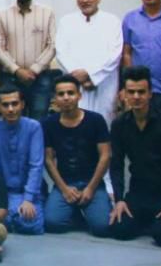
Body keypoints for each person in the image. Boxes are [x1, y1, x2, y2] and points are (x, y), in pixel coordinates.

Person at [107, 65, 161, 248]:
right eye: (131, 92)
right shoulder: (119, 124)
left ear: (150, 93)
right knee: (119, 230)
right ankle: (146, 222)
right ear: (124, 94)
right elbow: (116, 164)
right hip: (137, 193)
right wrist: (119, 200)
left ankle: (158, 223)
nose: (136, 97)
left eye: (141, 92)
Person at [41, 75, 111, 236]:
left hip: (92, 183)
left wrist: (91, 188)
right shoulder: (49, 124)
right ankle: (75, 213)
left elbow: (105, 156)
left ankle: (95, 206)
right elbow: (48, 159)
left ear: (79, 95)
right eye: (61, 94)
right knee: (52, 223)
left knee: (102, 227)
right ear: (55, 98)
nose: (66, 98)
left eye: (71, 93)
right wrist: (63, 188)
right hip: (65, 183)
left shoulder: (96, 120)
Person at [0, 0, 58, 119]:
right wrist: (17, 70)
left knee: (39, 119)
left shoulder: (47, 13)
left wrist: (34, 69)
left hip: (40, 78)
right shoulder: (2, 15)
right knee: (12, 120)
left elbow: (52, 45)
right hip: (11, 78)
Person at [55, 0, 123, 125]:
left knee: (105, 121)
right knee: (78, 122)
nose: (85, 0)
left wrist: (91, 75)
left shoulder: (112, 21)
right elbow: (61, 52)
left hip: (104, 83)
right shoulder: (66, 22)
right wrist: (79, 76)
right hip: (76, 84)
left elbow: (115, 54)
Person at [0, 85, 44, 235]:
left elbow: (36, 166)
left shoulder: (34, 127)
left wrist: (28, 199)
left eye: (15, 104)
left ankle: (11, 217)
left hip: (29, 191)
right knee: (16, 217)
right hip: (5, 192)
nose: (11, 109)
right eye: (5, 105)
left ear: (22, 104)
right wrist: (1, 197)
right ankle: (12, 215)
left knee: (32, 224)